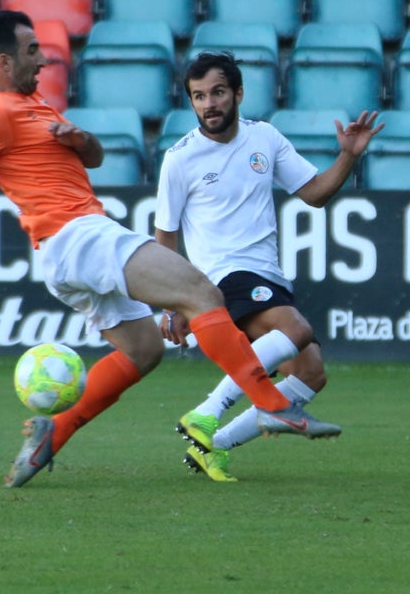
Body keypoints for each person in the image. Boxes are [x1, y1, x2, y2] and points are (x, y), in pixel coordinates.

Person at [0, 10, 344, 488]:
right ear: (3, 61)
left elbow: (93, 157)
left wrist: (81, 140)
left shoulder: (34, 105)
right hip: (78, 236)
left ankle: (53, 430)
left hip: (69, 249)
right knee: (202, 293)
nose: (43, 59)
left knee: (144, 351)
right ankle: (272, 406)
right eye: (32, 51)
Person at [154, 51, 383, 482]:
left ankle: (212, 446)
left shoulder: (265, 138)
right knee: (295, 331)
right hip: (221, 278)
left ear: (238, 93)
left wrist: (349, 156)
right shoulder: (179, 159)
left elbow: (314, 193)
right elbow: (164, 237)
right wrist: (173, 304)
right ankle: (205, 413)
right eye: (199, 96)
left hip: (266, 275)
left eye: (218, 92)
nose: (209, 104)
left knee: (310, 372)